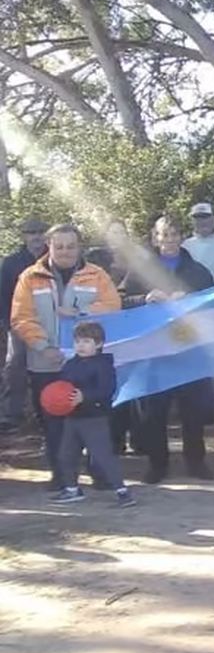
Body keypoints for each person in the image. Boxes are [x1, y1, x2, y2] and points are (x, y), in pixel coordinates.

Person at [11, 224, 123, 488]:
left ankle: (100, 474)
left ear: (79, 247)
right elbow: (21, 317)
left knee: (93, 421)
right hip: (46, 363)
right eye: (59, 246)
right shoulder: (30, 277)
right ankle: (62, 477)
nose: (65, 251)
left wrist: (82, 312)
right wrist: (43, 347)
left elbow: (112, 306)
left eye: (71, 246)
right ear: (48, 246)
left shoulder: (97, 275)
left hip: (87, 363)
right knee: (54, 424)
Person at [121, 216, 214, 483]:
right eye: (164, 234)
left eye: (174, 234)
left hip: (191, 351)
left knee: (193, 411)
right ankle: (157, 465)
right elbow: (121, 302)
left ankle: (196, 462)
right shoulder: (139, 271)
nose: (169, 239)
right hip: (154, 352)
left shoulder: (198, 271)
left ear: (181, 237)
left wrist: (192, 301)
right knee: (154, 412)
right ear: (155, 238)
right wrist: (145, 298)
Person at [49, 320, 132, 507]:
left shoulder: (104, 365)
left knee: (102, 456)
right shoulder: (70, 364)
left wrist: (84, 396)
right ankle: (72, 489)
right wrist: (57, 401)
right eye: (78, 342)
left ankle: (122, 492)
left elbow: (106, 390)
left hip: (94, 418)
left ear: (99, 344)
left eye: (86, 341)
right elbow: (62, 388)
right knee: (65, 455)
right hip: (72, 418)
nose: (81, 346)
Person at [0, 217, 48, 429]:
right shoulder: (11, 262)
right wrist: (8, 323)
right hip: (19, 322)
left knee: (47, 367)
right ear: (24, 236)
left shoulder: (55, 257)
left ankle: (46, 412)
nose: (36, 236)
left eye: (40, 231)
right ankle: (12, 414)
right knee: (16, 365)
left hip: (49, 323)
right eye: (31, 232)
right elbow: (3, 295)